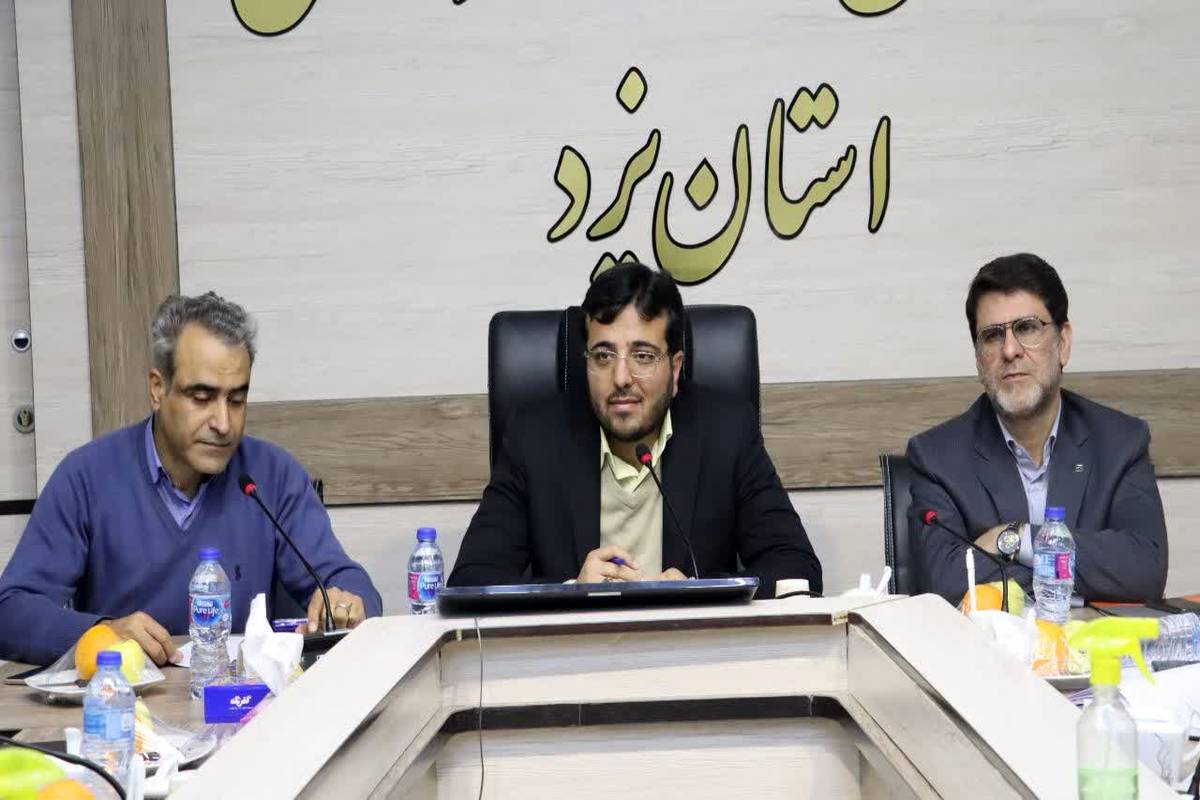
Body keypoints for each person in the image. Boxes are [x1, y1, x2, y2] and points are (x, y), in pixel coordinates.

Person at [0, 292, 382, 665]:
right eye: (202, 397)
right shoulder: (87, 477)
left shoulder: (272, 476)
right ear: (157, 389)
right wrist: (103, 632)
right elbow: (11, 611)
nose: (223, 423)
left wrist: (348, 603)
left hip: (240, 696)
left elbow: (349, 583)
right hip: (124, 699)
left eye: (236, 400)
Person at [449, 263, 822, 597]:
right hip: (574, 648)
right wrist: (571, 593)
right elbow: (471, 580)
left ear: (675, 369)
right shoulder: (535, 439)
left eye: (643, 356)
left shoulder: (726, 431)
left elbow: (797, 568)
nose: (621, 378)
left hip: (691, 647)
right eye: (603, 356)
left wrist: (699, 593)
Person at [906, 253, 1167, 603]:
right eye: (992, 336)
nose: (1010, 350)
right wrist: (1078, 572)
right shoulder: (936, 458)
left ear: (1063, 343)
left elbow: (1144, 568)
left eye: (1027, 328)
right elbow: (946, 581)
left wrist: (1017, 540)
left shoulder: (1120, 442)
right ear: (979, 358)